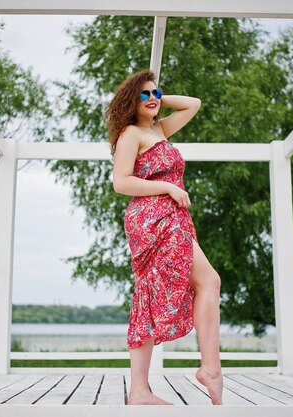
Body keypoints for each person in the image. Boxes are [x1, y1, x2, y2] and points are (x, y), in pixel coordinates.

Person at [107, 69, 224, 406]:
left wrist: (157, 96)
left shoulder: (158, 128)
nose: (153, 98)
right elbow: (121, 182)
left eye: (155, 93)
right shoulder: (131, 133)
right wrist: (167, 187)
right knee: (209, 281)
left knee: (150, 293)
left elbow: (193, 105)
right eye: (144, 95)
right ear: (132, 101)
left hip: (172, 217)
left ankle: (139, 391)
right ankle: (210, 368)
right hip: (153, 217)